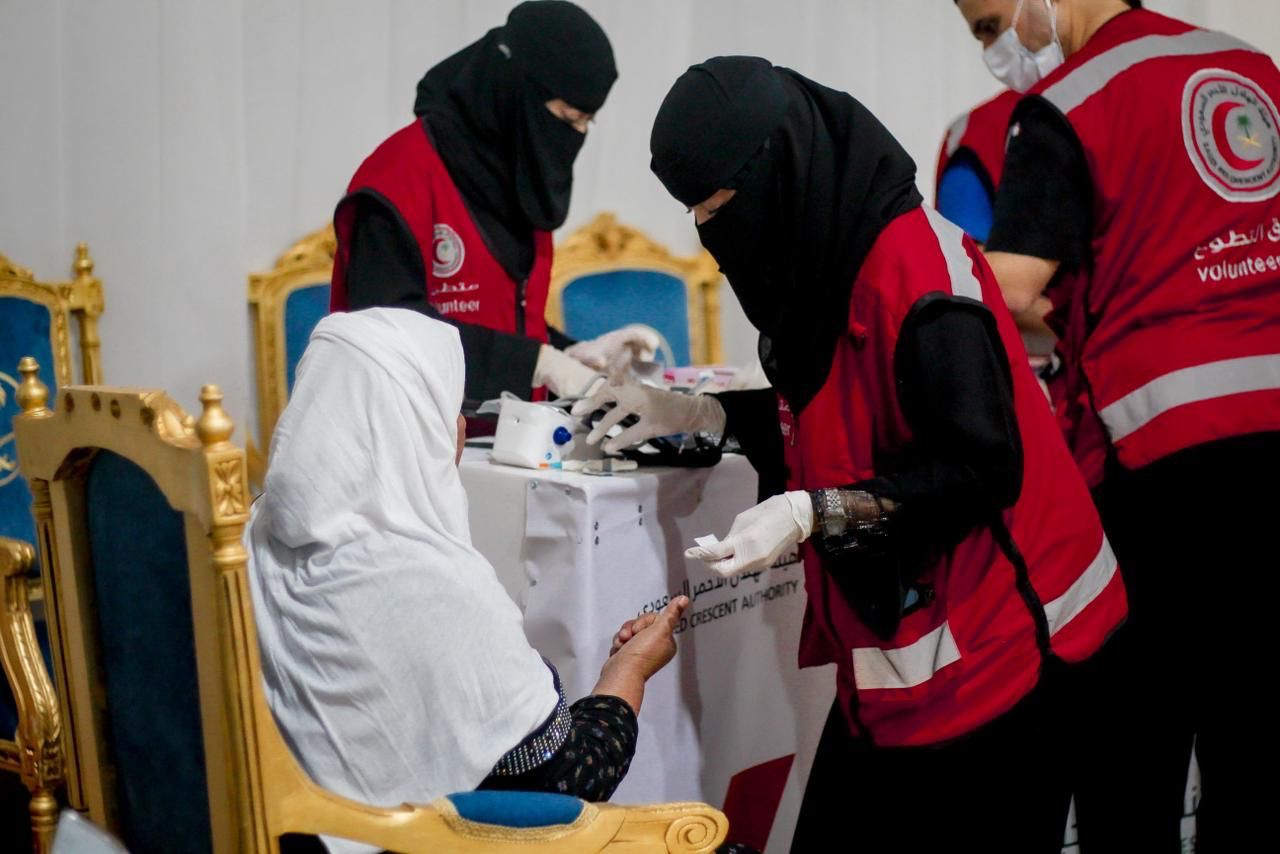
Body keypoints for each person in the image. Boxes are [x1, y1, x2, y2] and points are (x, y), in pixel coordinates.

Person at [577, 56, 1127, 852]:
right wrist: (698, 413)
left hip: (1010, 654)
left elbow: (979, 470)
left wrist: (813, 512)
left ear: (779, 172)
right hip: (898, 669)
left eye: (718, 206)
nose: (709, 229)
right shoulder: (823, 261)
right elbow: (837, 411)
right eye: (693, 210)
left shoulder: (918, 279)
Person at [955, 0, 1280, 849]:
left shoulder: (1069, 101)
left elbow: (1011, 285)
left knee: (1132, 739)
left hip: (1168, 457)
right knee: (1256, 738)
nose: (995, 49)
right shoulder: (1251, 69)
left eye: (988, 23)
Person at [246, 308, 690, 854]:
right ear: (415, 425)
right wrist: (629, 671)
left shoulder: (255, 531)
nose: (459, 425)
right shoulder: (427, 587)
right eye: (447, 407)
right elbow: (568, 785)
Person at [329, 1, 656, 405]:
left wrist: (576, 354)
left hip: (503, 433)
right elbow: (390, 335)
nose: (576, 135)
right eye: (568, 117)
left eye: (587, 121)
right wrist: (538, 363)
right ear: (514, 91)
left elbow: (503, 317)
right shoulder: (399, 179)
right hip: (407, 432)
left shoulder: (518, 171)